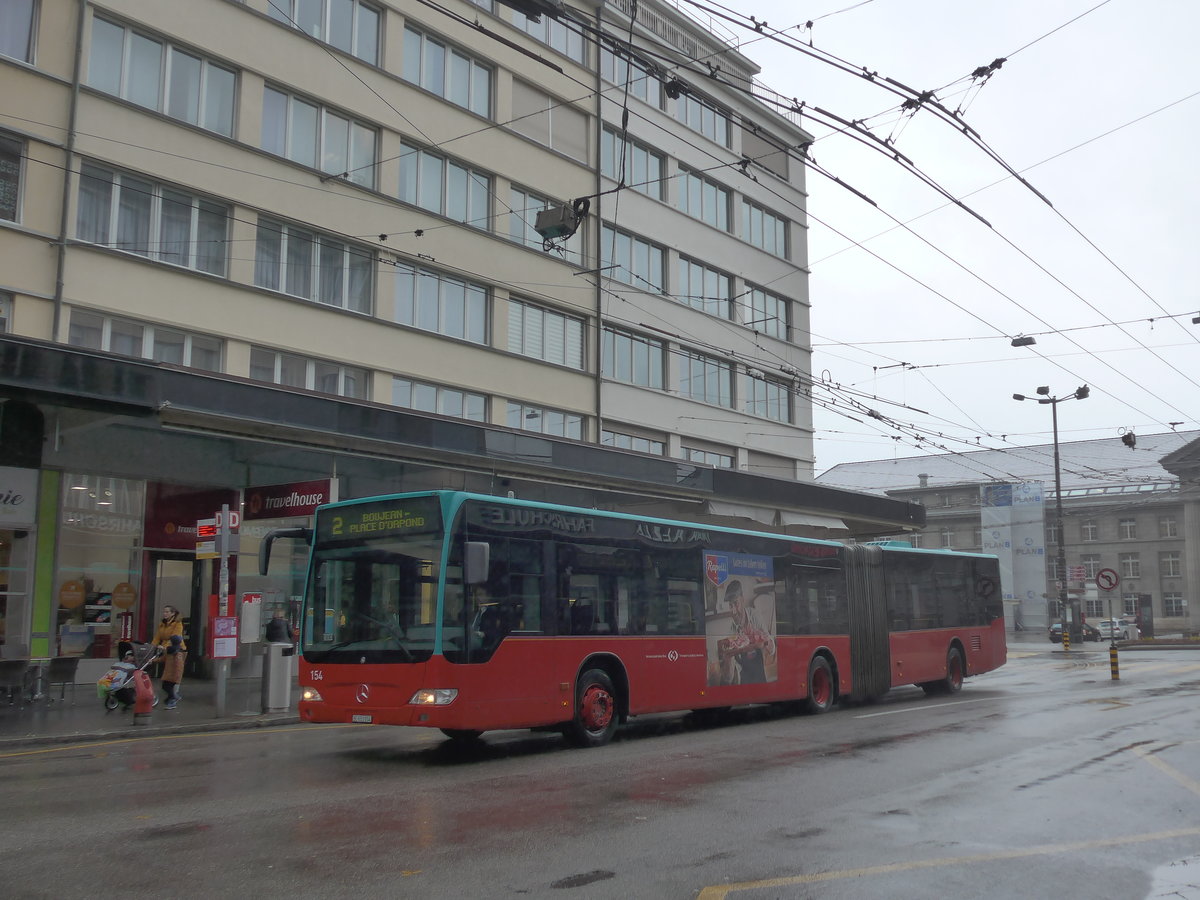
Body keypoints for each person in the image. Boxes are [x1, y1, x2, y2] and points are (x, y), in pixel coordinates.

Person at [153, 605, 187, 709]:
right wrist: (153, 646)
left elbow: (174, 638)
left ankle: (173, 697)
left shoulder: (177, 624)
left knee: (171, 677)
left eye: (167, 612)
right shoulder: (162, 624)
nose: (165, 613)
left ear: (173, 613)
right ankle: (172, 696)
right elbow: (157, 637)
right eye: (164, 612)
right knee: (167, 675)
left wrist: (163, 647)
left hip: (176, 648)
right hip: (166, 650)